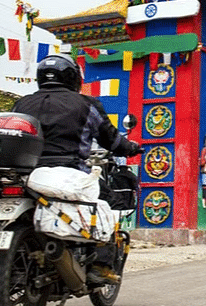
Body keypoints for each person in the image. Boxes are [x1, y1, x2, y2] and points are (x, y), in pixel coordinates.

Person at [13, 54, 142, 285]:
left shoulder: (22, 103)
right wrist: (131, 147)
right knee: (111, 201)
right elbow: (111, 141)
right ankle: (100, 266)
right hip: (69, 171)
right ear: (74, 78)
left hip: (25, 173)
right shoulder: (87, 105)